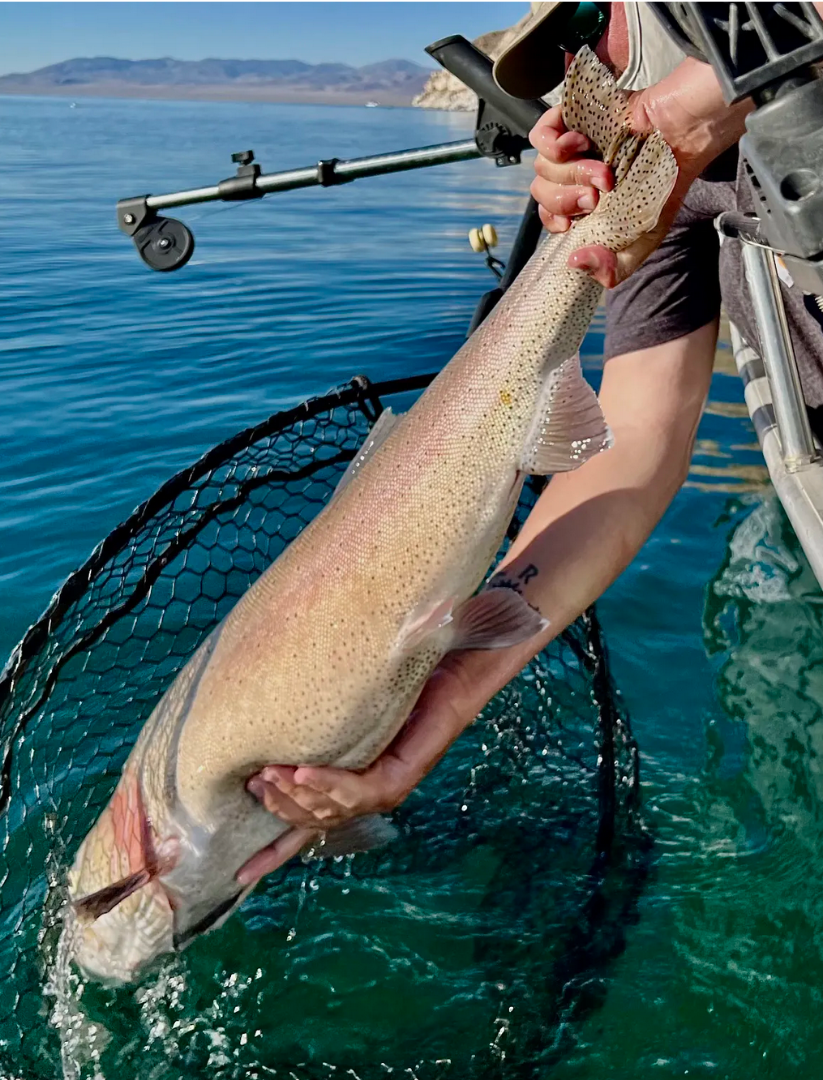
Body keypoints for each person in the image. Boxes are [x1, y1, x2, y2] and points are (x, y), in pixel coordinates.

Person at [237, 2, 823, 880]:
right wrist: (444, 698)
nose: (589, 71)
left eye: (593, 21)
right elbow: (630, 444)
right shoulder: (641, 140)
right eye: (569, 47)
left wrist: (716, 97)